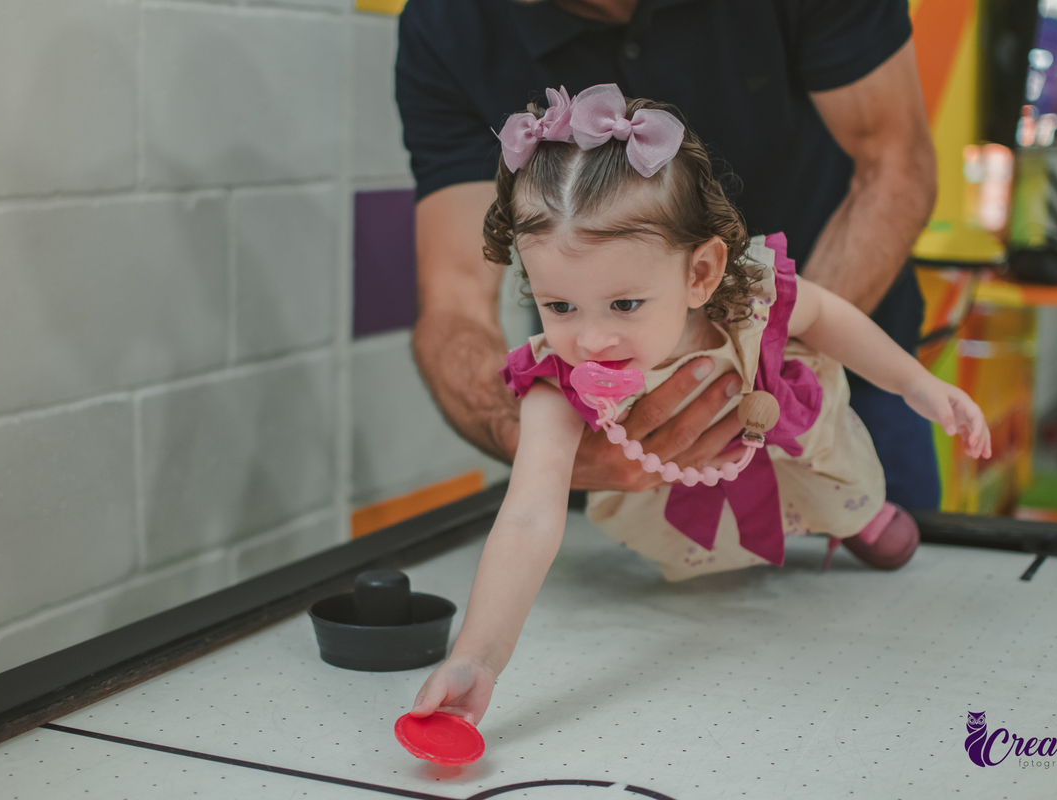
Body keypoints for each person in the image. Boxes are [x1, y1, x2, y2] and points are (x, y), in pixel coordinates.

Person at [409, 86, 989, 724]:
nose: (592, 338)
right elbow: (526, 520)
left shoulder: (745, 297)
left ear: (701, 274)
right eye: (559, 305)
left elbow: (828, 317)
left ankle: (859, 517)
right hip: (672, 482)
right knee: (710, 585)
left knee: (839, 480)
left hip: (789, 434)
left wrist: (916, 385)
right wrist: (478, 657)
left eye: (625, 304)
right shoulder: (557, 384)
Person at [397, 0, 940, 508]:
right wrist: (538, 442)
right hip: (623, 439)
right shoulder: (448, 23)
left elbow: (895, 164)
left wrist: (769, 364)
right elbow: (455, 296)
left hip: (843, 384)